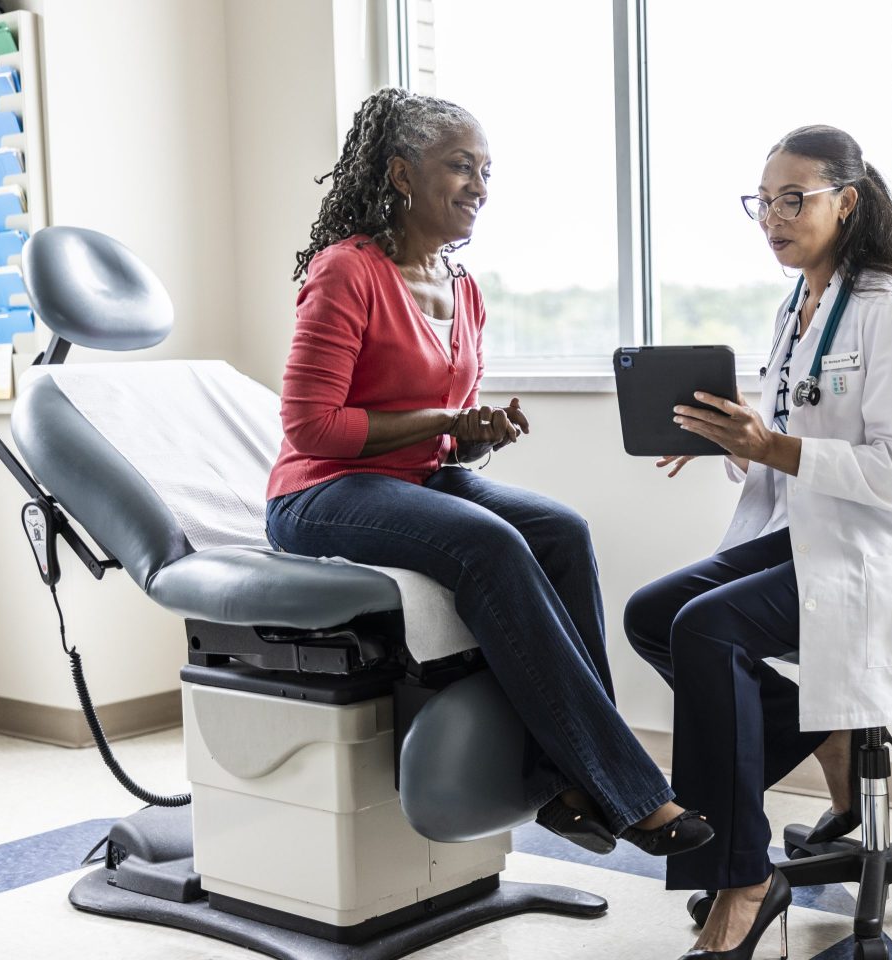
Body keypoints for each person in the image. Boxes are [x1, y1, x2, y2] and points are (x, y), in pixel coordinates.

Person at [265, 87, 712, 859]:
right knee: (488, 544)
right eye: (460, 167)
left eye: (486, 171)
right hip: (320, 492)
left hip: (419, 479)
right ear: (402, 174)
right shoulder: (348, 273)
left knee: (562, 532)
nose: (479, 186)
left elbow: (451, 443)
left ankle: (571, 784)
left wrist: (477, 436)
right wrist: (445, 424)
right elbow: (311, 427)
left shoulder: (464, 288)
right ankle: (630, 792)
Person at [625, 124, 892, 959]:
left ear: (849, 201)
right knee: (654, 615)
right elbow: (787, 428)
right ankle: (819, 728)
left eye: (794, 199)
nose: (773, 217)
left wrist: (772, 448)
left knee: (708, 628)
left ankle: (741, 880)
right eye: (763, 201)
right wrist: (729, 441)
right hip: (814, 528)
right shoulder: (800, 302)